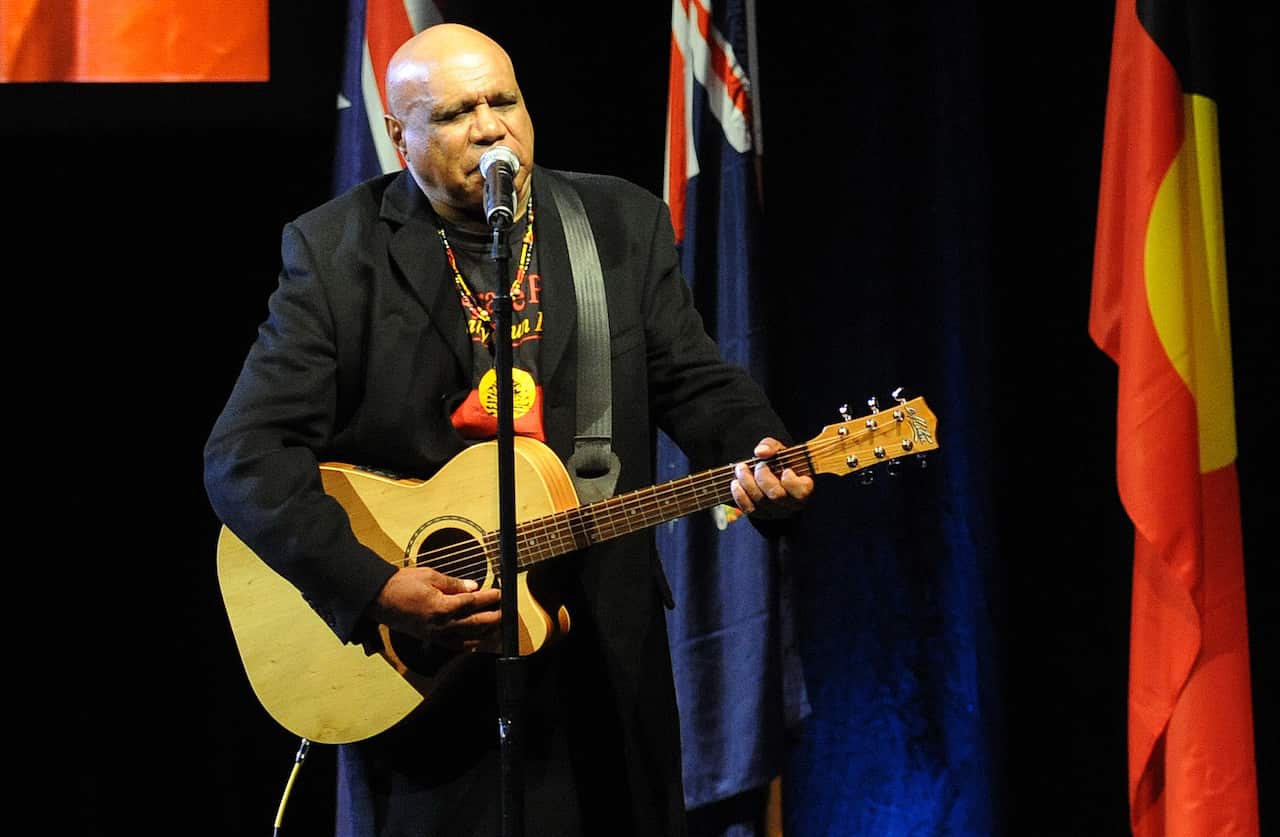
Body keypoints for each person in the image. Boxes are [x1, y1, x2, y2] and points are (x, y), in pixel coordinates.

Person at [203, 22, 813, 837]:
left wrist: (759, 450)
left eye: (504, 100)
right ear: (399, 135)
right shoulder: (335, 250)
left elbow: (696, 381)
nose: (491, 127)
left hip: (603, 660)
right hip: (427, 684)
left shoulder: (617, 223)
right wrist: (375, 586)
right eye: (457, 112)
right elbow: (245, 454)